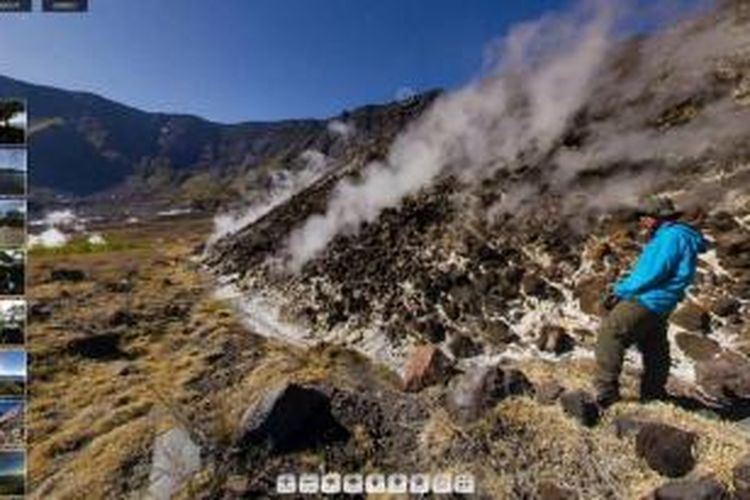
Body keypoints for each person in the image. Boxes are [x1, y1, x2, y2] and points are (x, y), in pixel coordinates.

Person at [594, 197, 707, 407]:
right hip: (664, 301)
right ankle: (654, 393)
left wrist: (621, 291)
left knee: (611, 332)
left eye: (643, 217)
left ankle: (606, 390)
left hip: (648, 297)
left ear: (656, 218)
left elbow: (654, 271)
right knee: (654, 345)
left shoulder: (669, 237)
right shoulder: (679, 235)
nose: (640, 222)